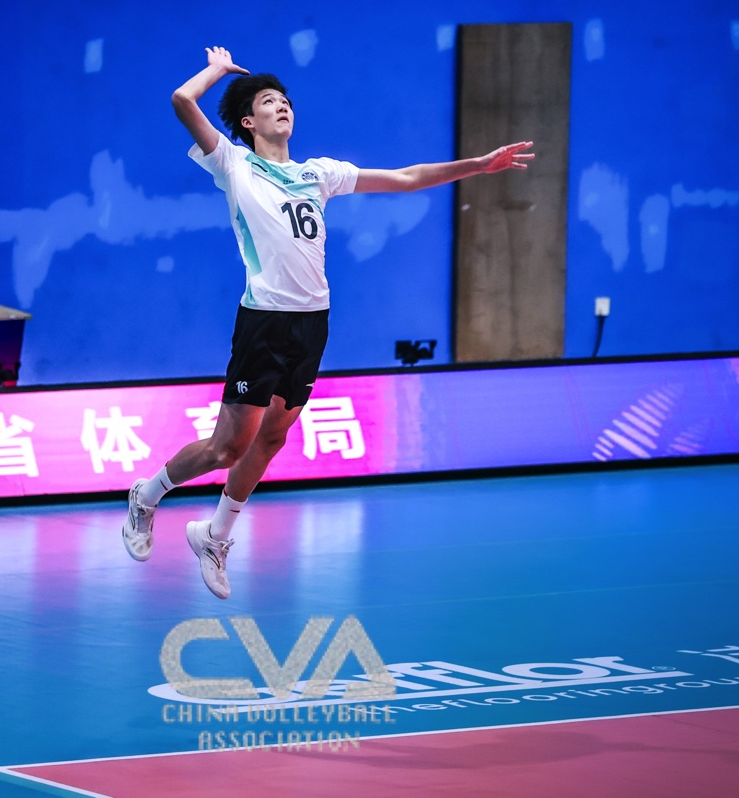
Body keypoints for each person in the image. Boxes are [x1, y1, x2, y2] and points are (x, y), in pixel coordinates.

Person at [123, 46, 534, 599]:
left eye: (286, 100)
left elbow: (407, 178)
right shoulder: (233, 163)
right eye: (269, 101)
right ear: (248, 122)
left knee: (272, 437)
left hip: (312, 323)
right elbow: (181, 99)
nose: (282, 106)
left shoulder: (318, 173)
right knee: (228, 448)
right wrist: (218, 71)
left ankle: (215, 536)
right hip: (264, 322)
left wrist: (478, 166)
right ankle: (147, 495)